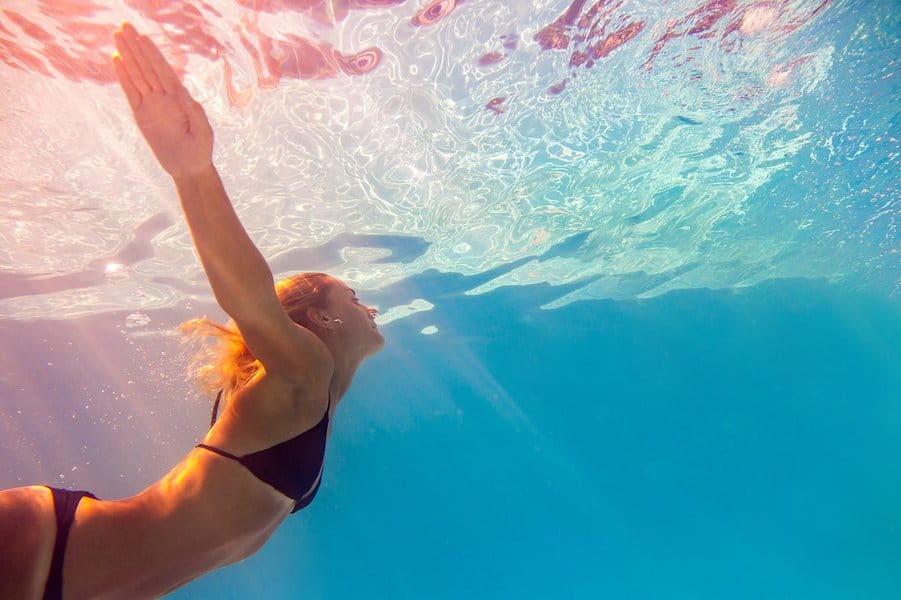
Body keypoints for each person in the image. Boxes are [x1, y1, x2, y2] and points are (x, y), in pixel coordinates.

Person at [0, 22, 384, 599]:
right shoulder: (306, 372)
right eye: (353, 296)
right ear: (321, 320)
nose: (370, 304)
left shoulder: (312, 398)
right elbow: (250, 299)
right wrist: (192, 169)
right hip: (46, 544)